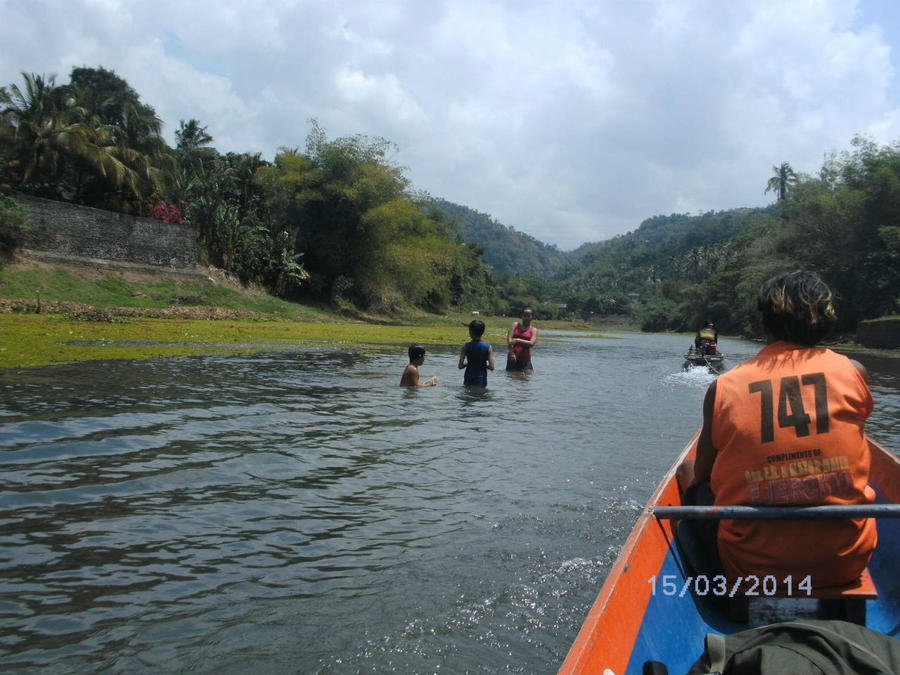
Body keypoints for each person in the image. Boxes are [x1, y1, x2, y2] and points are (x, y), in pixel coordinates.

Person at [678, 270, 877, 588]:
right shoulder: (854, 372)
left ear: (764, 323)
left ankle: (710, 585)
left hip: (751, 568)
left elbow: (702, 474)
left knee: (688, 472)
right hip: (845, 562)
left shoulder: (724, 386)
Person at [458, 319, 495, 387]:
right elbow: (492, 367)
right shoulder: (488, 347)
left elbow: (460, 366)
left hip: (468, 379)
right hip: (481, 380)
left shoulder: (465, 346)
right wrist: (483, 365)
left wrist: (468, 363)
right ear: (482, 332)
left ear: (470, 332)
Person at [506, 308, 538, 373]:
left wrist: (517, 340)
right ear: (522, 316)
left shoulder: (533, 330)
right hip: (513, 357)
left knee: (527, 378)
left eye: (528, 316)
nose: (526, 318)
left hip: (525, 359)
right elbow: (509, 339)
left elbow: (532, 343)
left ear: (532, 317)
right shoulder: (515, 325)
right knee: (511, 378)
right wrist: (512, 353)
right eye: (525, 316)